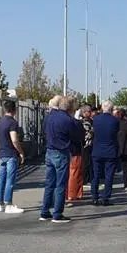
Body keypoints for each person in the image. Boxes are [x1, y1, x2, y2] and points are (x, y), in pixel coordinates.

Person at [41, 95, 80, 223]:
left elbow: (44, 131)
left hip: (49, 151)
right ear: (70, 108)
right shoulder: (68, 120)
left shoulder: (49, 116)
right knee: (60, 184)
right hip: (61, 152)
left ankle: (45, 211)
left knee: (49, 184)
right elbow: (76, 136)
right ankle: (57, 214)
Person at [0, 99, 25, 214]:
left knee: (1, 179)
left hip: (2, 154)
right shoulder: (13, 123)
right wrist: (21, 152)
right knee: (10, 180)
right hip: (11, 154)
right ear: (14, 110)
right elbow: (14, 140)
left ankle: (0, 204)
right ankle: (9, 204)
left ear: (4, 109)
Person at [91, 100, 120, 206]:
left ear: (102, 108)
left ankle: (94, 197)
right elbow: (116, 133)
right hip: (110, 151)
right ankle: (106, 198)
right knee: (109, 176)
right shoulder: (115, 121)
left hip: (97, 150)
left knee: (95, 175)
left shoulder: (96, 119)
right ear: (112, 109)